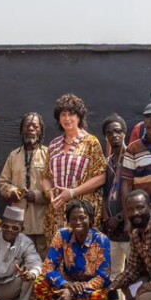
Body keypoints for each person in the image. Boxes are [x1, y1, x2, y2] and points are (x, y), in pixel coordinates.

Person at [35, 199, 113, 300]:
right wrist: (65, 285)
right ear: (68, 221)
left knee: (102, 296)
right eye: (73, 218)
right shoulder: (62, 235)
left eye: (82, 218)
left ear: (90, 220)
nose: (78, 222)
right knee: (40, 283)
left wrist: (74, 291)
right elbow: (48, 266)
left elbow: (103, 277)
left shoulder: (101, 240)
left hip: (90, 289)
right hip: (68, 286)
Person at [43, 94, 106, 239]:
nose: (67, 118)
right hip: (57, 213)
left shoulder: (90, 142)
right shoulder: (54, 144)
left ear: (79, 117)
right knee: (58, 255)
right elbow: (46, 177)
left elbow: (101, 177)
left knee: (81, 255)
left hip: (81, 213)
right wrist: (49, 192)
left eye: (71, 114)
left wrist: (72, 192)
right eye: (63, 115)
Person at [0, 113, 50, 257]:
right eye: (27, 126)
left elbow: (56, 186)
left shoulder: (49, 155)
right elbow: (3, 182)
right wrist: (12, 191)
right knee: (21, 260)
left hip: (42, 222)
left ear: (41, 131)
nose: (31, 129)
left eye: (35, 126)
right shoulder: (14, 156)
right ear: (21, 130)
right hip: (18, 223)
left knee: (43, 262)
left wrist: (38, 196)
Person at [100, 114, 130, 300]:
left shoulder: (132, 157)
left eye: (118, 131)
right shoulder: (108, 161)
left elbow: (134, 192)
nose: (114, 135)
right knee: (115, 270)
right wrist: (106, 218)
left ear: (124, 133)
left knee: (137, 269)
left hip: (128, 224)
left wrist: (120, 217)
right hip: (112, 228)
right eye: (109, 132)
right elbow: (104, 192)